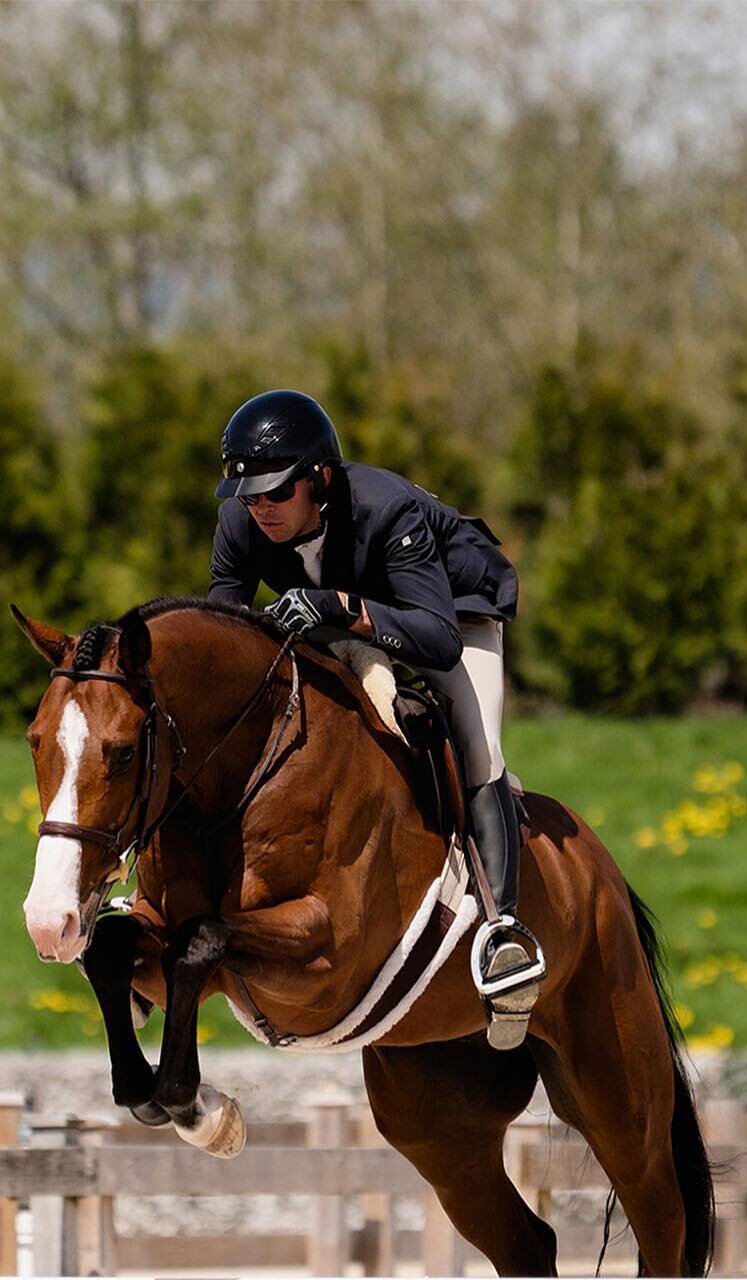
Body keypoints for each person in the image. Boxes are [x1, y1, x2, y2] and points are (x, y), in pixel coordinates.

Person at [209, 388, 545, 1050]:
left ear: (321, 477)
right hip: (343, 615)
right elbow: (229, 633)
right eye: (248, 495)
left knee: (477, 747)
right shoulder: (242, 525)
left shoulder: (388, 512)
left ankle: (504, 935)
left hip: (451, 611)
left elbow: (436, 639)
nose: (259, 508)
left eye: (275, 493)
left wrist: (337, 604)